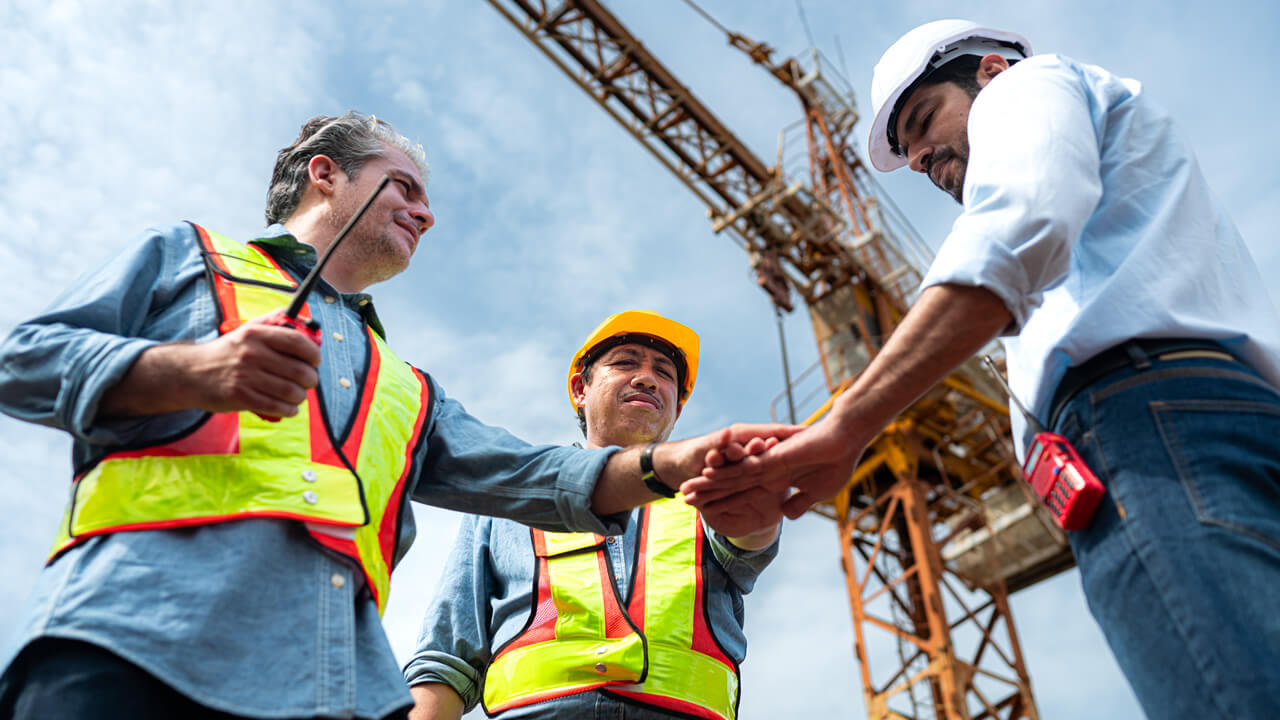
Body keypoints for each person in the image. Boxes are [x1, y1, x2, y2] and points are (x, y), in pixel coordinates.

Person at [0, 112, 793, 720]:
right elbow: (20, 361)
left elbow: (531, 473)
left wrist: (671, 465)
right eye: (405, 187)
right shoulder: (189, 258)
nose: (426, 212)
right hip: (135, 640)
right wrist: (190, 369)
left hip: (328, 683)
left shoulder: (409, 389)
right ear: (326, 176)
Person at [683, 19, 1280, 718]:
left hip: (1146, 434)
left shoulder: (1027, 86)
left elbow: (1015, 229)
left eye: (923, 119)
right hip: (1217, 421)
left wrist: (847, 426)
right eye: (908, 153)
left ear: (990, 70)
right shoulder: (1125, 168)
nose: (921, 158)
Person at [404, 310, 780, 720]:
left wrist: (760, 507)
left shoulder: (702, 492)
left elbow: (748, 543)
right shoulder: (511, 496)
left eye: (665, 373)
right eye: (626, 363)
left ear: (677, 409)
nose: (648, 378)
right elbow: (447, 655)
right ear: (580, 389)